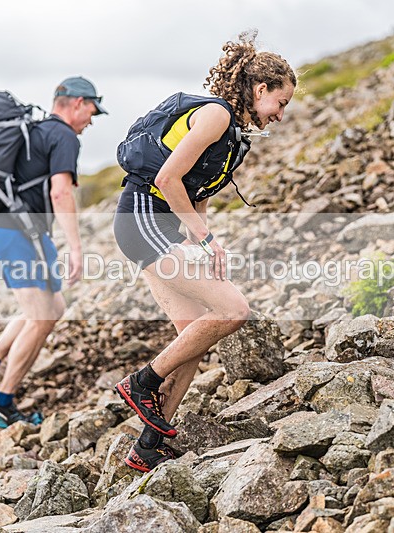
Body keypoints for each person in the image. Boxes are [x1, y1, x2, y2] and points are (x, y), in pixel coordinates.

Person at [112, 32, 296, 471]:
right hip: (142, 220)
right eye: (281, 103)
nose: (282, 115)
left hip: (161, 227)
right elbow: (167, 180)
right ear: (260, 90)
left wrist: (205, 240)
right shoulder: (215, 115)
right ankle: (143, 382)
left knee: (193, 331)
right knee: (233, 309)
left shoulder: (232, 135)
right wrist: (204, 238)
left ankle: (148, 448)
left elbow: (196, 193)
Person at [0, 77, 107, 428]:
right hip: (15, 235)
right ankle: (2, 404)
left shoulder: (36, 131)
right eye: (91, 110)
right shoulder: (64, 136)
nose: (92, 119)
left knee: (52, 307)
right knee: (40, 317)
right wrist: (75, 247)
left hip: (14, 232)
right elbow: (60, 193)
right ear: (76, 103)